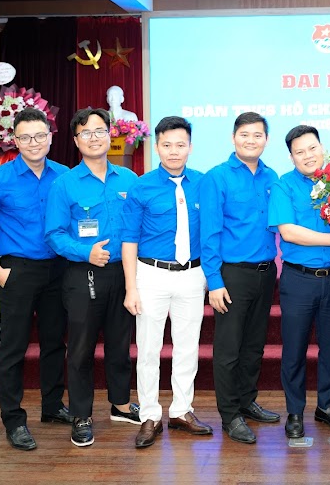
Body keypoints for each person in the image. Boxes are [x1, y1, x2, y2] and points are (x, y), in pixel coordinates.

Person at [0, 108, 71, 451]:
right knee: (13, 347)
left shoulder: (65, 176)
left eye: (39, 135)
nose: (33, 142)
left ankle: (52, 406)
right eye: (25, 137)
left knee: (55, 342)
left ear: (50, 137)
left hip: (59, 269)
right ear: (15, 141)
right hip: (17, 271)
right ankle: (13, 420)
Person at [44, 108, 140, 447]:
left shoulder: (129, 179)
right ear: (76, 141)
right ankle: (81, 414)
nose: (94, 138)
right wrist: (86, 252)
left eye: (100, 131)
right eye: (86, 133)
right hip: (83, 273)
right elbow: (53, 234)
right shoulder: (64, 184)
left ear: (110, 134)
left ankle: (121, 404)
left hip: (124, 273)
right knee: (81, 348)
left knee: (120, 343)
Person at [268, 125, 330, 440]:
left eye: (312, 148)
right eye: (299, 152)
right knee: (294, 349)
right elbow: (289, 232)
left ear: (322, 148)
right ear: (291, 157)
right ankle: (295, 412)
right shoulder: (283, 186)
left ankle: (327, 406)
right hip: (299, 280)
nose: (308, 156)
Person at [122, 116, 213, 449]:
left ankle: (181, 410)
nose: (174, 151)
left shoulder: (204, 184)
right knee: (148, 349)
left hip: (192, 275)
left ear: (190, 147)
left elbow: (212, 232)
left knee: (188, 347)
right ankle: (149, 414)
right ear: (157, 147)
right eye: (167, 145)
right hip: (151, 275)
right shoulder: (141, 186)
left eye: (180, 145)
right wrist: (131, 287)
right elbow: (129, 240)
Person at [200, 112, 281, 444]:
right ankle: (230, 414)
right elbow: (209, 233)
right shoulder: (216, 177)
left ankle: (247, 401)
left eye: (258, 135)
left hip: (266, 272)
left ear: (266, 140)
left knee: (254, 345)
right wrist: (214, 281)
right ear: (233, 138)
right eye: (245, 135)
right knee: (229, 348)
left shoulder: (271, 176)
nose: (251, 140)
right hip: (232, 275)